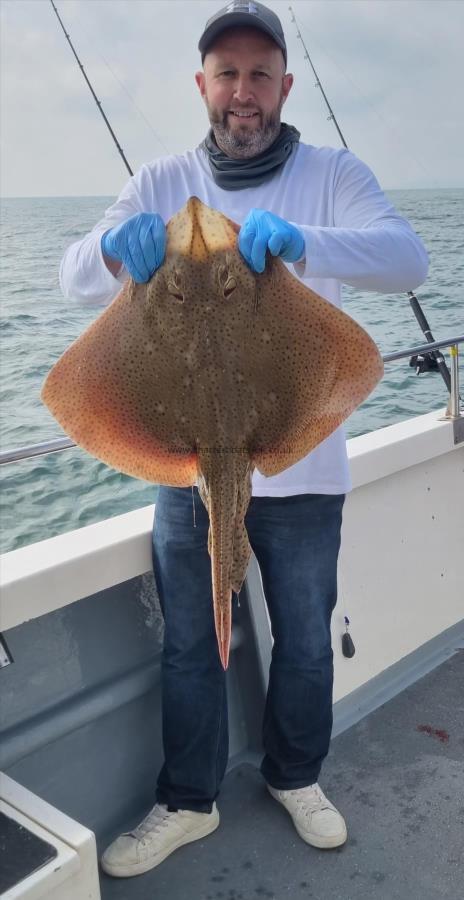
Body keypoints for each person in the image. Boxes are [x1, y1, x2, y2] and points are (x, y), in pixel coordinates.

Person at [60, 0, 428, 879]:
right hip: (188, 466)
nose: (242, 91)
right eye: (226, 74)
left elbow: (406, 259)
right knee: (190, 638)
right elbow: (73, 278)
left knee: (304, 636)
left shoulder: (333, 173)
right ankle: (188, 800)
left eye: (259, 73)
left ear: (285, 84)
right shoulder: (158, 180)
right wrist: (115, 246)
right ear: (202, 85)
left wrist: (307, 245)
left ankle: (296, 776)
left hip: (301, 459)